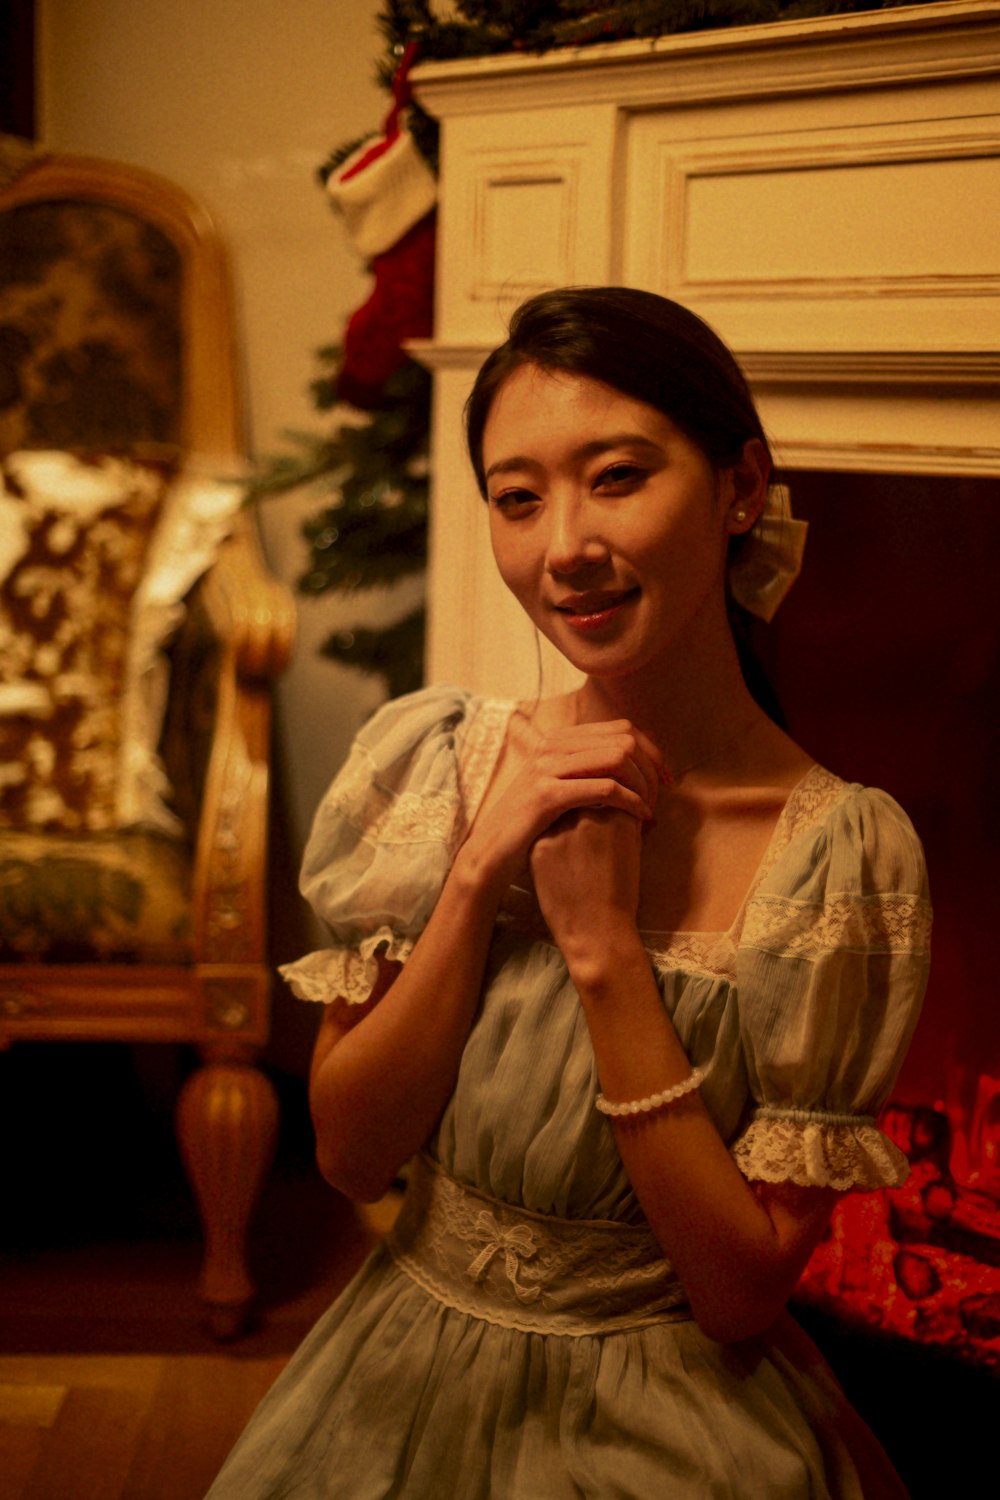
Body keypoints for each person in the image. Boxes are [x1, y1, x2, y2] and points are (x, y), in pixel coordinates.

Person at [206, 287, 931, 1499]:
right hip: (392, 1370)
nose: (563, 549)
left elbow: (739, 1290)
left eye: (618, 477)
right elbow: (348, 1154)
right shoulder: (433, 762)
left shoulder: (838, 860)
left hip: (670, 1413)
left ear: (741, 487)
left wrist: (602, 956)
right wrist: (481, 868)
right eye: (518, 497)